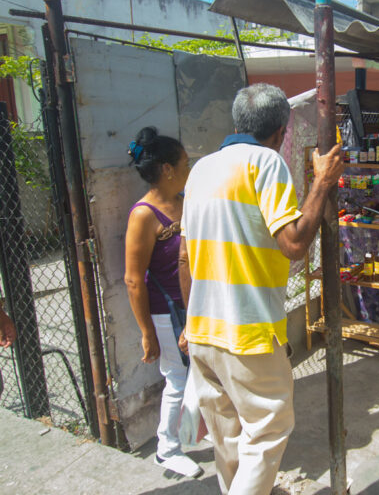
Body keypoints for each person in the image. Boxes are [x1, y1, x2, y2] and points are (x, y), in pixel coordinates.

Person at [179, 83, 343, 494]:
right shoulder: (266, 163)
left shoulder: (202, 169)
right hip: (247, 335)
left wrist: (188, 321)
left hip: (201, 332)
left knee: (229, 437)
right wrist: (321, 182)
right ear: (281, 132)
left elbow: (184, 258)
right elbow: (293, 244)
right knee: (270, 429)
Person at [123, 127, 202, 478]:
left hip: (193, 303)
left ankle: (193, 432)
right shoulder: (143, 215)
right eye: (185, 163)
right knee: (178, 377)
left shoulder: (184, 201)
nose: (189, 167)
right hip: (165, 310)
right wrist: (146, 332)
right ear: (167, 169)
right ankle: (166, 449)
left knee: (201, 372)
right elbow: (132, 279)